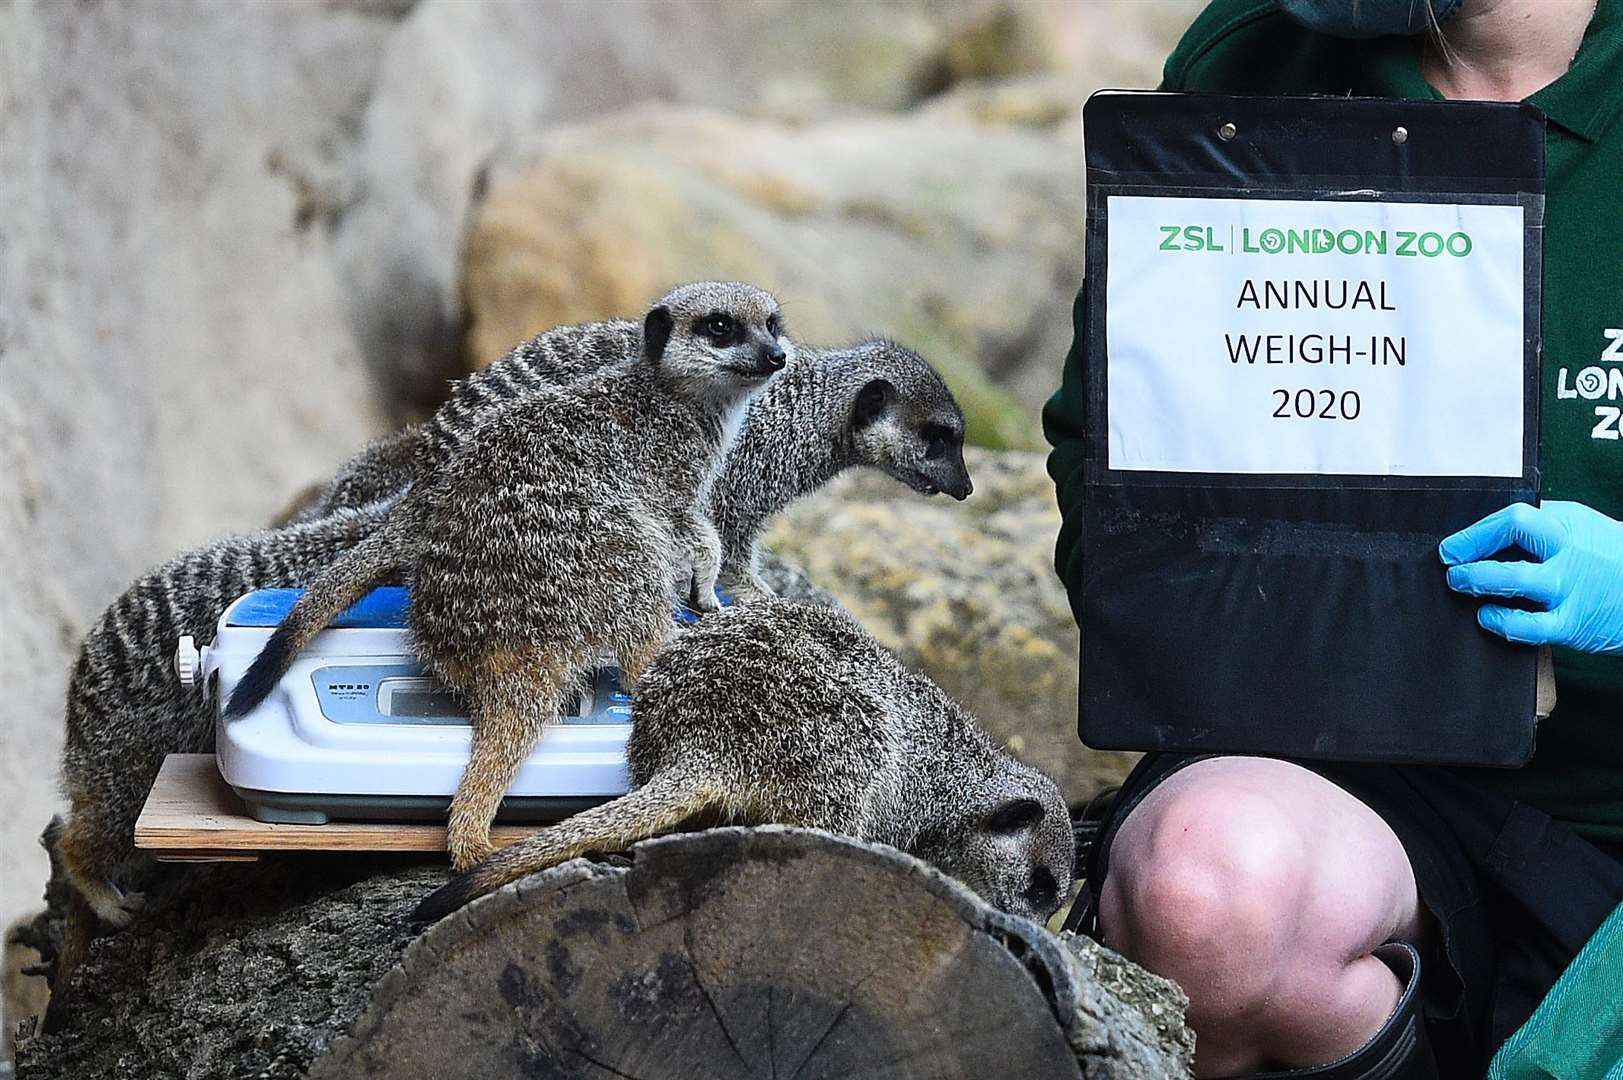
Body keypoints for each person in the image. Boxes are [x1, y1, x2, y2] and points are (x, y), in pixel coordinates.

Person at [1043, 1, 1623, 1077]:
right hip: (1335, 768)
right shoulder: (1254, 51)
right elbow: (1101, 455)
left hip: (1603, 813)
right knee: (1210, 893)